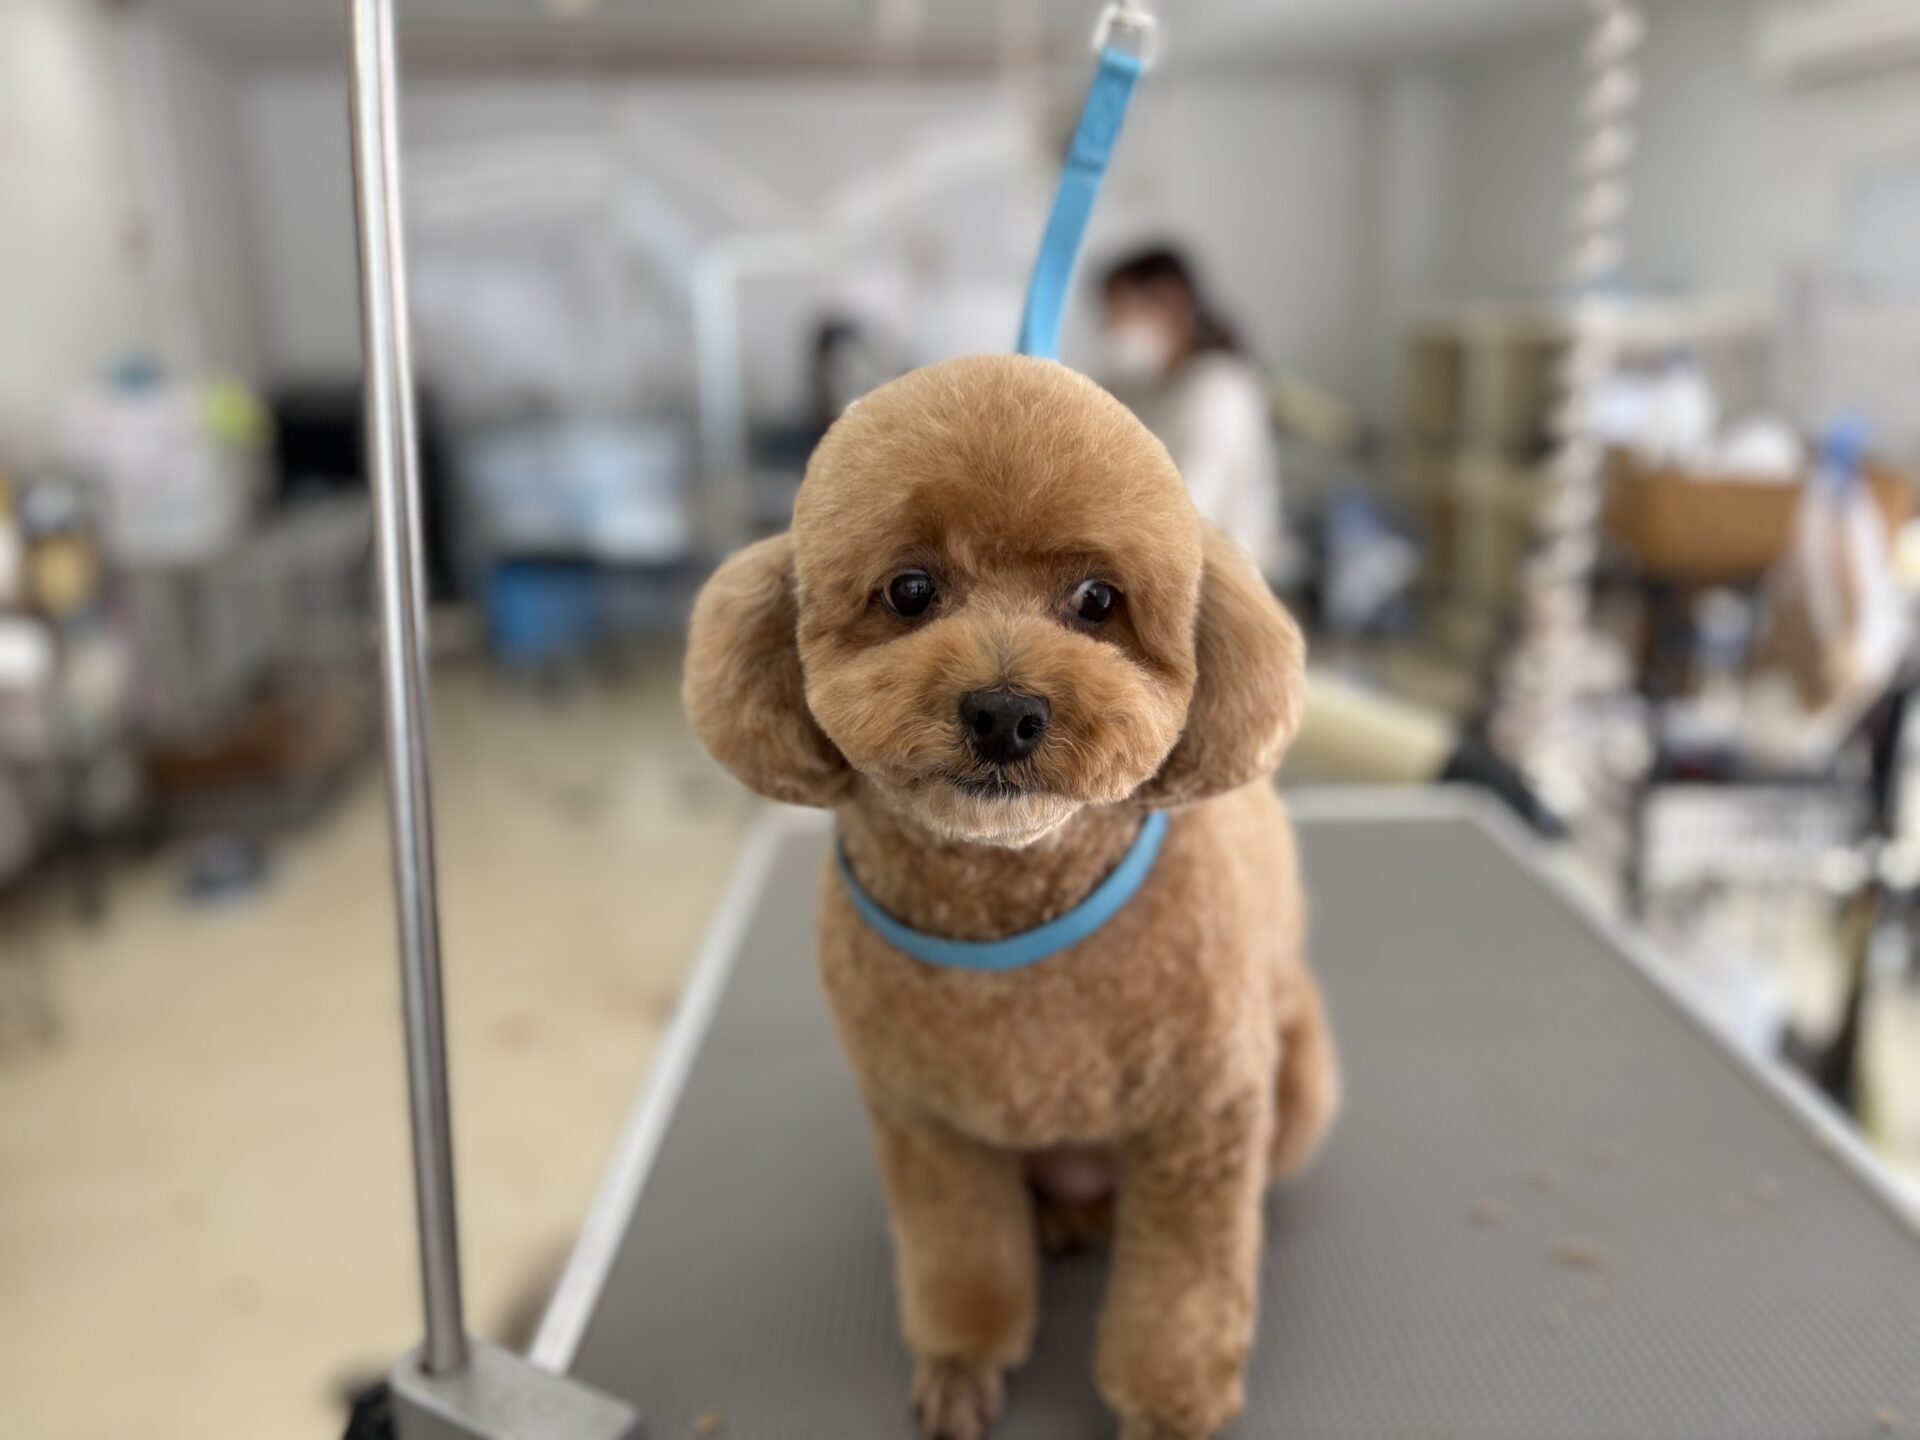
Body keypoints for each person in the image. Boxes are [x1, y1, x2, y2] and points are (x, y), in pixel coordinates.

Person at [1099, 245, 1289, 580]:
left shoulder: (1218, 390)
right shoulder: (1154, 382)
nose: (1112, 331)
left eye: (1120, 314)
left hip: (1220, 575)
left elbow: (1191, 507)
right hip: (1178, 559)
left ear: (1170, 302)